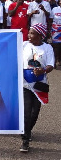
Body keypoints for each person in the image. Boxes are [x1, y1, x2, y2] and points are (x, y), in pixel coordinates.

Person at [21, 23, 54, 152]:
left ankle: (27, 130)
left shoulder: (47, 48)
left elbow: (50, 65)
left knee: (35, 113)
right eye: (29, 32)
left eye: (32, 33)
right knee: (26, 112)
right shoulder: (24, 45)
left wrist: (43, 70)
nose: (29, 35)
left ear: (40, 35)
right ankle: (25, 139)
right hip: (25, 84)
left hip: (40, 86)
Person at [51, 0, 61, 66]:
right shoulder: (54, 9)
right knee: (56, 47)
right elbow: (50, 19)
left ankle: (60, 60)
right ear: (59, 2)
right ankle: (54, 61)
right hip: (56, 30)